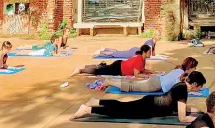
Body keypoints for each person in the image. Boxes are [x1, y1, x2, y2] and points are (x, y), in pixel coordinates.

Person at [72, 71, 207, 122]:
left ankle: (97, 101)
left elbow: (182, 108)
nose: (199, 90)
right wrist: (203, 120)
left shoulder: (181, 85)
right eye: (199, 87)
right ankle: (88, 109)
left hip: (150, 103)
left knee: (122, 106)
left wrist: (200, 111)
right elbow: (182, 117)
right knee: (120, 112)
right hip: (149, 107)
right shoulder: (183, 90)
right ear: (195, 84)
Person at [103, 57, 199, 93]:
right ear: (190, 67)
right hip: (156, 84)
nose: (195, 70)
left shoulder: (178, 69)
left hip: (156, 80)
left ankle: (111, 80)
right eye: (194, 68)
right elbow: (181, 88)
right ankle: (109, 82)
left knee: (132, 83)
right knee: (131, 86)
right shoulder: (183, 75)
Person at [71, 45, 154, 77]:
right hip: (118, 68)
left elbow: (142, 70)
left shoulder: (143, 59)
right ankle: (80, 70)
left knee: (103, 67)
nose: (151, 53)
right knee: (100, 71)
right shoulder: (139, 59)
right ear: (144, 52)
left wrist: (153, 72)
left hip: (119, 64)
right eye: (149, 52)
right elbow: (137, 74)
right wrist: (147, 76)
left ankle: (86, 66)